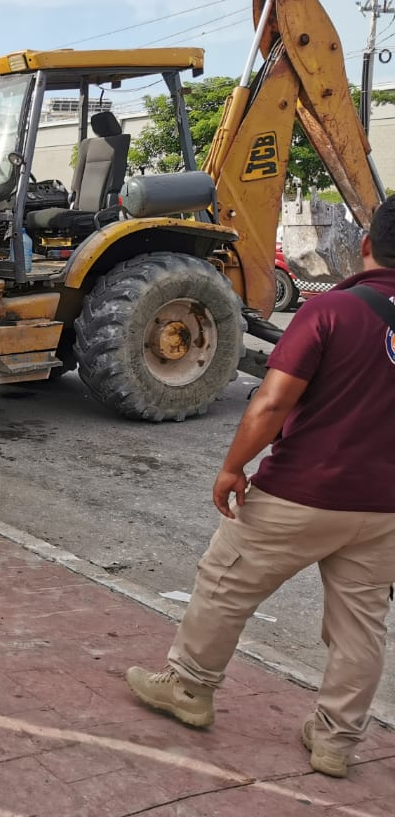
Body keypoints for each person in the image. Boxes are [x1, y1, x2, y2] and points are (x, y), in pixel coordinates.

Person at [126, 196, 395, 779]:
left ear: (367, 245)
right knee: (361, 627)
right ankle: (335, 741)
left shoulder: (333, 311)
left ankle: (189, 689)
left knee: (224, 583)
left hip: (301, 492)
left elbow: (272, 400)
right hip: (384, 510)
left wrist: (232, 466)